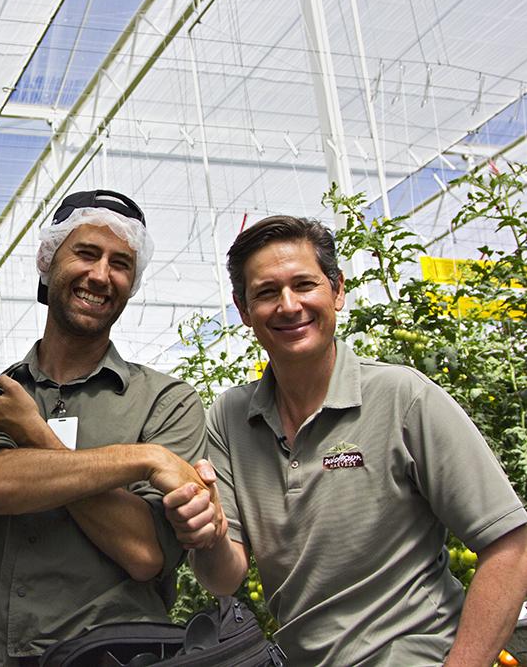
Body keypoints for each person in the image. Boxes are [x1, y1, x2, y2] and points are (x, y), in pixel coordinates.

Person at [169, 215, 527, 665]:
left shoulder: (403, 397)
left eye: (304, 284)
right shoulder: (230, 417)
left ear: (337, 291)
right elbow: (225, 579)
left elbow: (511, 544)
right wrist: (208, 533)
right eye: (265, 292)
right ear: (243, 311)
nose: (288, 305)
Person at [0, 190, 217, 666]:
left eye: (121, 264)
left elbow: (145, 553)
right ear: (48, 261)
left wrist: (33, 432)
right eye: (85, 253)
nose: (101, 275)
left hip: (122, 656)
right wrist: (143, 458)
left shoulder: (166, 401)